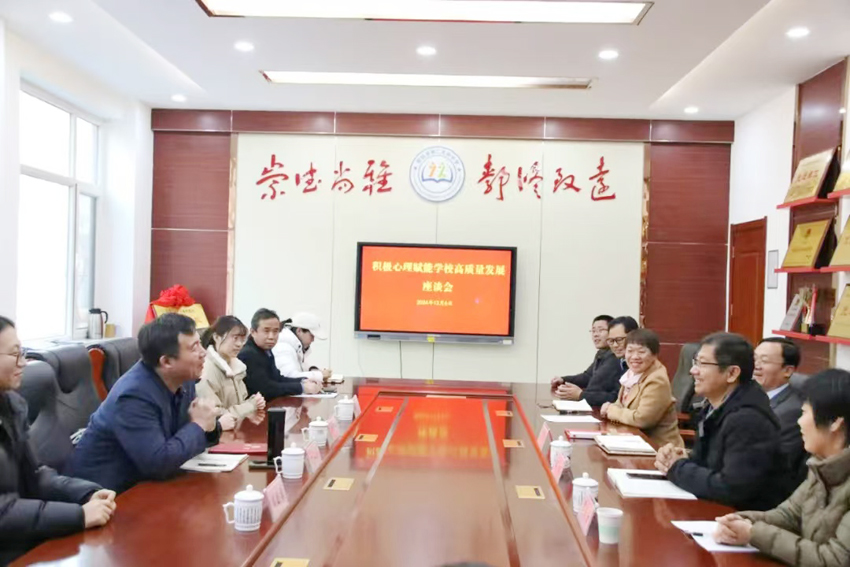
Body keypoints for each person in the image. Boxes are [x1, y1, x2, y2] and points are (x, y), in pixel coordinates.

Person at [0, 316, 116, 564]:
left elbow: (36, 475)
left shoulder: (12, 404)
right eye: (14, 354)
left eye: (22, 353)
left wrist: (86, 493)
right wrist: (78, 516)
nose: (23, 362)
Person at [68, 314, 221, 494]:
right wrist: (199, 425)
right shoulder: (133, 396)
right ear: (167, 361)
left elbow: (186, 437)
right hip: (106, 495)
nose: (204, 353)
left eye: (200, 343)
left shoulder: (184, 379)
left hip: (147, 485)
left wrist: (209, 427)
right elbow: (159, 464)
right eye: (194, 348)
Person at [715, 369, 850, 566]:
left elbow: (835, 559)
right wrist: (739, 520)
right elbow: (788, 516)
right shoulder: (822, 467)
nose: (799, 422)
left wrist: (754, 533)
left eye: (804, 413)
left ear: (835, 423)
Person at [656, 332, 790, 511]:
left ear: (732, 373)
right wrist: (682, 457)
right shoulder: (714, 407)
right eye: (696, 362)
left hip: (743, 518)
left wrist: (677, 467)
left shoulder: (748, 420)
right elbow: (711, 463)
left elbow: (731, 488)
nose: (693, 371)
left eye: (703, 364)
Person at [601, 328, 683, 447]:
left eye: (641, 352)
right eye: (630, 351)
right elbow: (620, 404)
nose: (635, 357)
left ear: (654, 355)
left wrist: (611, 411)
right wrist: (611, 407)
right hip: (633, 440)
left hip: (659, 448)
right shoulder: (632, 374)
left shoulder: (656, 379)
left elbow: (642, 419)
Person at [754, 337, 807, 486]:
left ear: (787, 370)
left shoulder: (791, 412)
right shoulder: (747, 396)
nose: (756, 366)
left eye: (764, 361)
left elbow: (770, 465)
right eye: (754, 359)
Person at [198, 316, 266, 431]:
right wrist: (250, 406)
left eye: (242, 339)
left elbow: (239, 404)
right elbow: (216, 415)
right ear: (217, 337)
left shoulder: (236, 368)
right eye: (235, 338)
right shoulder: (206, 369)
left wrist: (254, 403)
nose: (239, 344)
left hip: (235, 433)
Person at [238, 308, 323, 400]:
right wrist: (301, 387)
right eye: (266, 331)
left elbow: (277, 378)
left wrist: (303, 381)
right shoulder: (249, 354)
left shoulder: (265, 350)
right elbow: (265, 389)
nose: (271, 337)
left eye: (275, 331)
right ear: (253, 332)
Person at [551, 315, 622, 407]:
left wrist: (580, 395)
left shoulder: (615, 357)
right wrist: (564, 379)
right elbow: (587, 376)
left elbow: (595, 386)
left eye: (600, 330)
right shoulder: (602, 353)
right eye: (593, 331)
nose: (595, 334)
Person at [273, 312, 332, 383]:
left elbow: (300, 368)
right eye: (312, 336)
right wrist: (320, 375)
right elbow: (289, 377)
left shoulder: (293, 346)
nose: (313, 340)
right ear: (299, 331)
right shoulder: (283, 348)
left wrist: (313, 369)